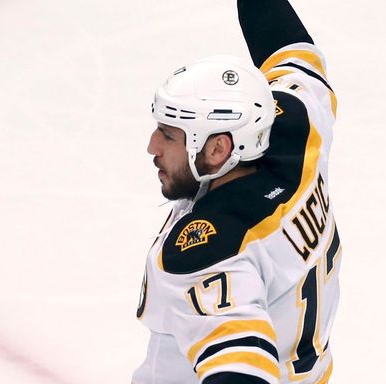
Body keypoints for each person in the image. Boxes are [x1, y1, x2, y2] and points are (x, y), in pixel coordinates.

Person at [133, 1, 341, 383]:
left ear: (217, 150)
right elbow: (291, 51)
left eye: (168, 135)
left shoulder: (209, 251)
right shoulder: (298, 124)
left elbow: (242, 368)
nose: (152, 146)